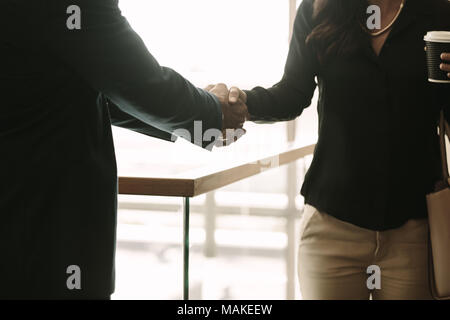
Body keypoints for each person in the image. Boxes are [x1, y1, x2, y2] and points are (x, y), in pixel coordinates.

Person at [0, 0, 247, 299]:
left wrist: (197, 118)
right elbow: (139, 82)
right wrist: (214, 114)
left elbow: (81, 84)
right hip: (45, 248)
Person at [221, 0, 450, 299]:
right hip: (331, 230)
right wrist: (243, 103)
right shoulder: (319, 9)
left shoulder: (437, 13)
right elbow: (292, 94)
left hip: (413, 231)